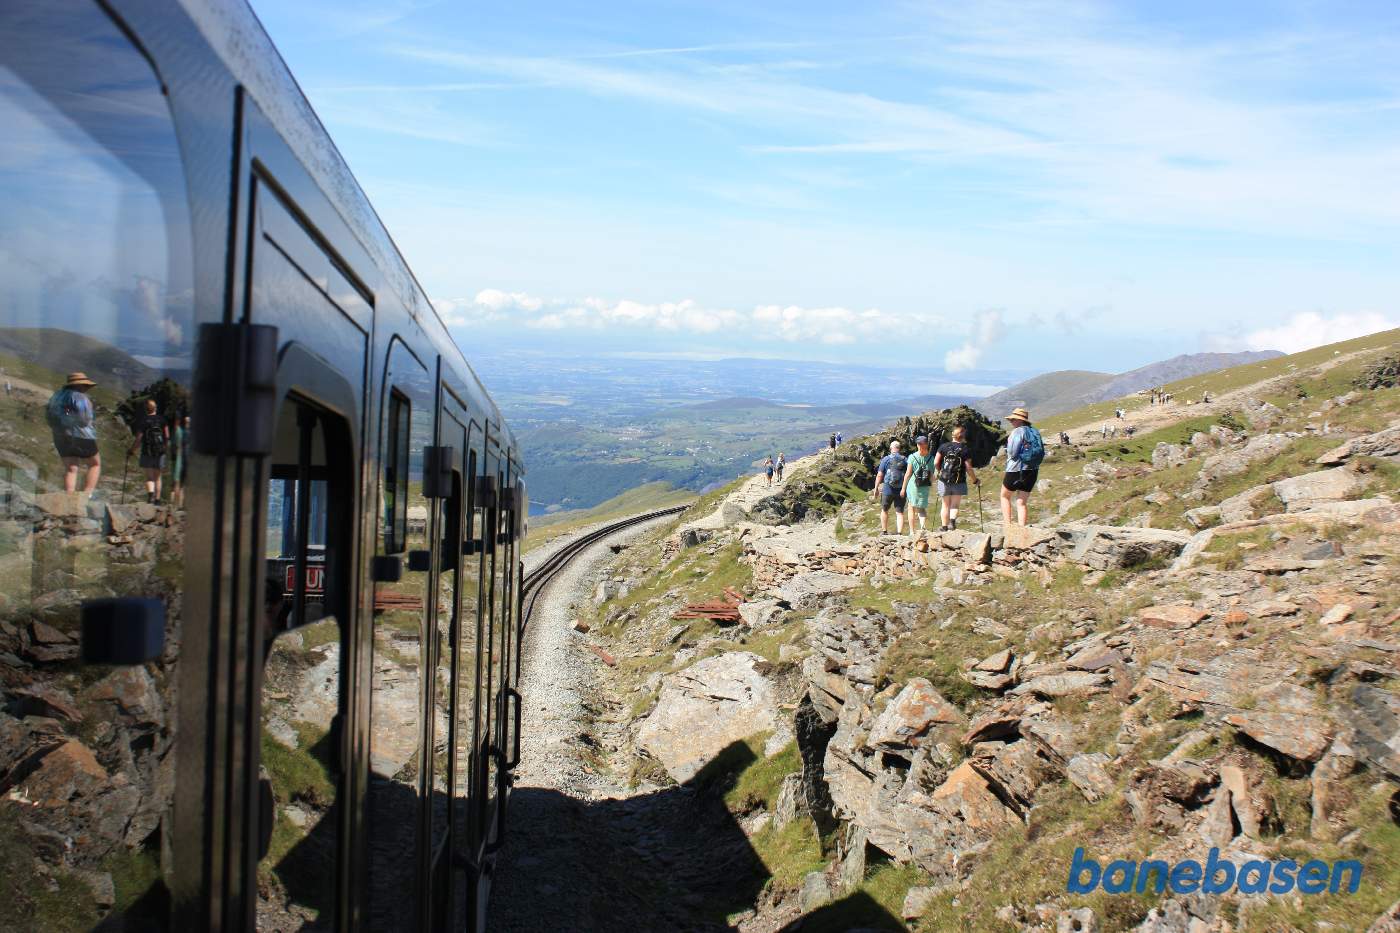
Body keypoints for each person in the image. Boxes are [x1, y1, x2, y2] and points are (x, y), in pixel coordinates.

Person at [46, 372, 101, 493]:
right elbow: (84, 420)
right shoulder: (80, 397)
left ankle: (69, 496)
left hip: (60, 435)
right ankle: (87, 495)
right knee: (95, 464)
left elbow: (48, 415)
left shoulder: (57, 395)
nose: (87, 388)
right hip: (81, 435)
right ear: (80, 385)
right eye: (85, 386)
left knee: (71, 468)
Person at [1001, 407, 1043, 526]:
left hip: (1015, 470)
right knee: (1021, 502)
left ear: (1020, 420)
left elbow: (1013, 453)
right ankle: (1022, 529)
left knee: (1004, 496)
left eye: (1013, 419)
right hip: (1032, 470)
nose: (1011, 421)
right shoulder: (1034, 431)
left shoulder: (1017, 432)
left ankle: (1008, 526)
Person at [934, 425, 978, 531]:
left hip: (944, 479)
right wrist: (974, 480)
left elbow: (936, 462)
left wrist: (940, 471)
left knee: (945, 505)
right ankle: (952, 522)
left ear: (953, 435)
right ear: (962, 436)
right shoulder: (965, 449)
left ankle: (944, 527)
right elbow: (968, 467)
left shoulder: (943, 446)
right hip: (959, 480)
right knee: (955, 504)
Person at [130, 398, 169, 504]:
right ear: (155, 408)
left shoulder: (144, 421)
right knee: (158, 477)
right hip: (160, 452)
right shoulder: (162, 420)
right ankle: (157, 500)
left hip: (147, 451)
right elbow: (167, 436)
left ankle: (150, 495)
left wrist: (132, 450)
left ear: (146, 409)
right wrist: (165, 450)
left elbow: (139, 439)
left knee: (149, 477)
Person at [900, 435, 936, 533]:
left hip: (913, 485)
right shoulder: (931, 458)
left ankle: (912, 531)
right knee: (922, 508)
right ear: (926, 444)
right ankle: (923, 528)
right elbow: (933, 476)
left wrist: (903, 488)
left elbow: (908, 474)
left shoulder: (912, 457)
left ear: (917, 445)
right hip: (924, 486)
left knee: (911, 507)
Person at [874, 440, 908, 534]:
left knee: (884, 510)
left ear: (890, 448)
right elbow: (908, 474)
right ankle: (899, 533)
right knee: (899, 512)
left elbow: (880, 475)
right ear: (899, 448)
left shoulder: (886, 459)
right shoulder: (905, 459)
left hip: (887, 489)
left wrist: (876, 488)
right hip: (901, 489)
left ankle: (884, 531)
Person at [171, 414, 190, 508]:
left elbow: (174, 445)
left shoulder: (179, 431)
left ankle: (175, 503)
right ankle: (183, 504)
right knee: (184, 483)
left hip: (179, 458)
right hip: (188, 459)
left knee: (177, 482)